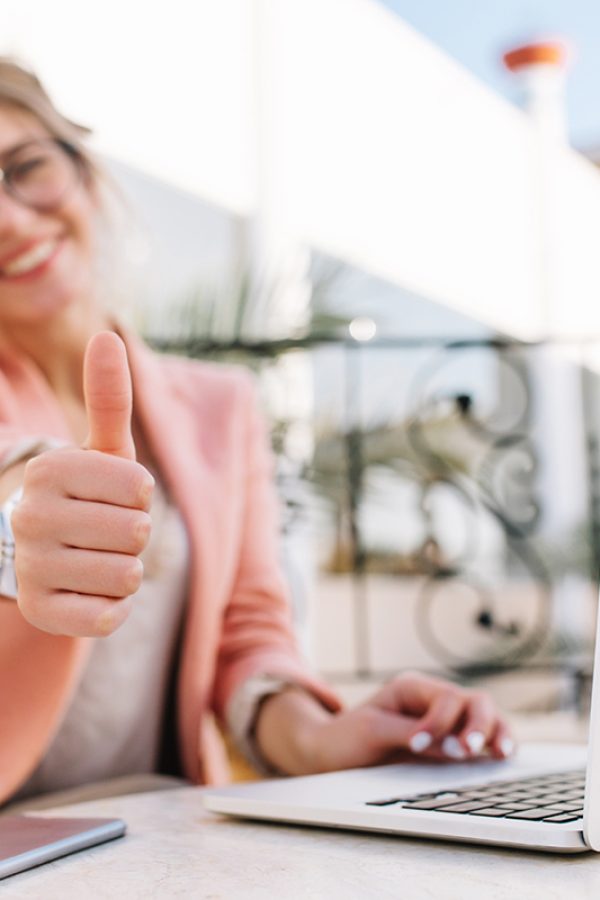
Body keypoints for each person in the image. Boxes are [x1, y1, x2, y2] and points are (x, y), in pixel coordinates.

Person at [0, 58, 513, 811]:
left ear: (84, 170)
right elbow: (15, 474)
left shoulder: (221, 406)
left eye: (26, 168)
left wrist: (325, 737)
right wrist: (17, 533)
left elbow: (247, 636)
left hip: (157, 833)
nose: (9, 217)